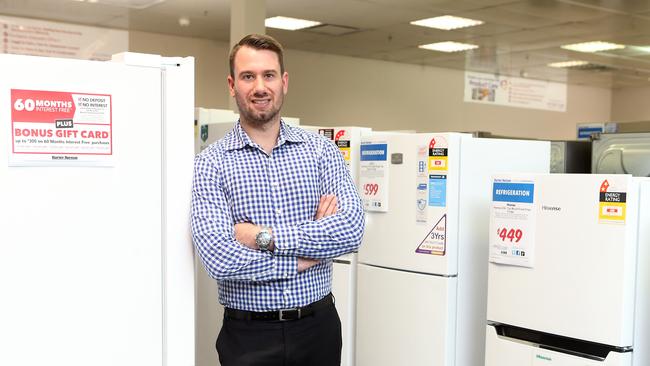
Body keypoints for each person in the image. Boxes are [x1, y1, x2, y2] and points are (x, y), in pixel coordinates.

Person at [191, 33, 365, 366]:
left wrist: (261, 237)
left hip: (319, 329)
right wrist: (305, 252)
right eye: (248, 76)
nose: (260, 86)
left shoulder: (321, 151)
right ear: (232, 84)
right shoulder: (210, 163)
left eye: (268, 75)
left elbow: (351, 229)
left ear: (283, 81)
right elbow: (218, 257)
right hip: (248, 338)